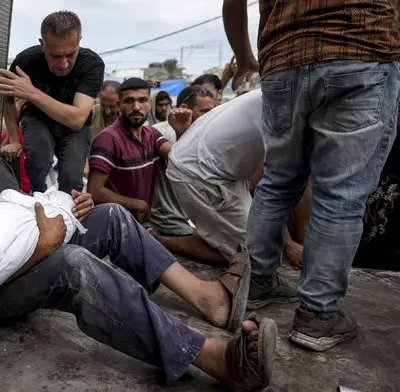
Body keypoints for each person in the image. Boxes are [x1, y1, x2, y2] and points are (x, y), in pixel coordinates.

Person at [0, 76, 277, 391]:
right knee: (73, 265)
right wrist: (45, 244)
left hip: (27, 258)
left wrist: (68, 210)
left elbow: (20, 219)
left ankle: (208, 299)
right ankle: (212, 358)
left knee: (110, 215)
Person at [223, 0, 400, 351]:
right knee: (341, 194)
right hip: (362, 47)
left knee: (277, 179)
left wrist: (244, 59)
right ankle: (317, 314)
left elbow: (233, 3)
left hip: (282, 59)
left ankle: (256, 281)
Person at [165, 88, 307, 270]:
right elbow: (264, 189)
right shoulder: (294, 110)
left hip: (222, 169)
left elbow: (302, 189)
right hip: (200, 172)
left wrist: (301, 243)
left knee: (252, 240)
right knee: (251, 256)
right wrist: (289, 245)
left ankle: (214, 236)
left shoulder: (289, 88)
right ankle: (158, 242)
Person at [0, 11, 105, 194]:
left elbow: (76, 119)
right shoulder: (26, 61)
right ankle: (35, 199)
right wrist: (13, 138)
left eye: (70, 54)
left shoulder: (92, 65)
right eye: (55, 56)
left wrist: (32, 93)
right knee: (38, 159)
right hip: (38, 119)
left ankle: (67, 215)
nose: (63, 64)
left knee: (71, 178)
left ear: (79, 42)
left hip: (74, 129)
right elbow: (8, 98)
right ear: (42, 45)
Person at [87, 79, 171, 223]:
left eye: (142, 100)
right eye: (129, 101)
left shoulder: (152, 134)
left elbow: (175, 155)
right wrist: (139, 205)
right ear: (120, 106)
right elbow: (95, 191)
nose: (136, 107)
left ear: (150, 104)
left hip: (141, 223)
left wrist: (182, 131)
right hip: (116, 225)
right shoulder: (108, 139)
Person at [149, 86, 216, 237]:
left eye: (213, 112)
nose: (211, 117)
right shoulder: (161, 132)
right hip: (171, 222)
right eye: (205, 112)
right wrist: (183, 134)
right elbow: (182, 164)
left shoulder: (208, 134)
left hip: (197, 219)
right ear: (185, 109)